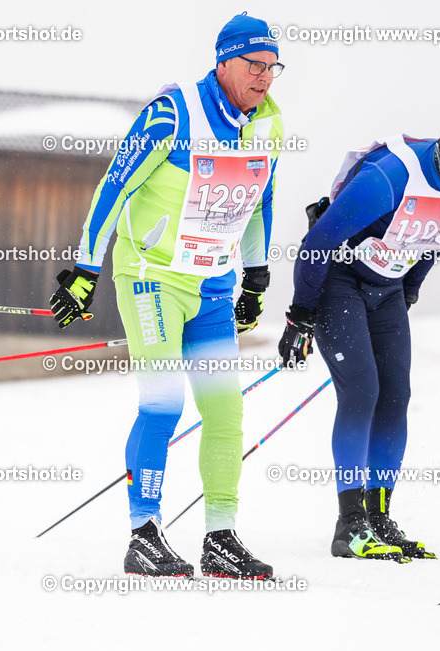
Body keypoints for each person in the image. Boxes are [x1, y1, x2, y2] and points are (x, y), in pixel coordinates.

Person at [49, 12, 283, 578]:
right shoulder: (174, 112)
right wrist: (84, 268)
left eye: (274, 68)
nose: (265, 78)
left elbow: (261, 201)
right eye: (255, 65)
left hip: (211, 283)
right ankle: (144, 532)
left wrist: (255, 277)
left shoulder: (268, 126)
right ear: (225, 60)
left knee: (226, 410)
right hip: (152, 276)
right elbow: (115, 185)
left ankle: (220, 537)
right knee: (163, 402)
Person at [277, 100, 440, 561]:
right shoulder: (391, 176)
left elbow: (431, 237)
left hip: (387, 286)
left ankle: (379, 516)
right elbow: (319, 240)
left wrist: (410, 292)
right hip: (339, 277)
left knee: (395, 395)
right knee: (361, 390)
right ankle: (350, 525)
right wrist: (300, 315)